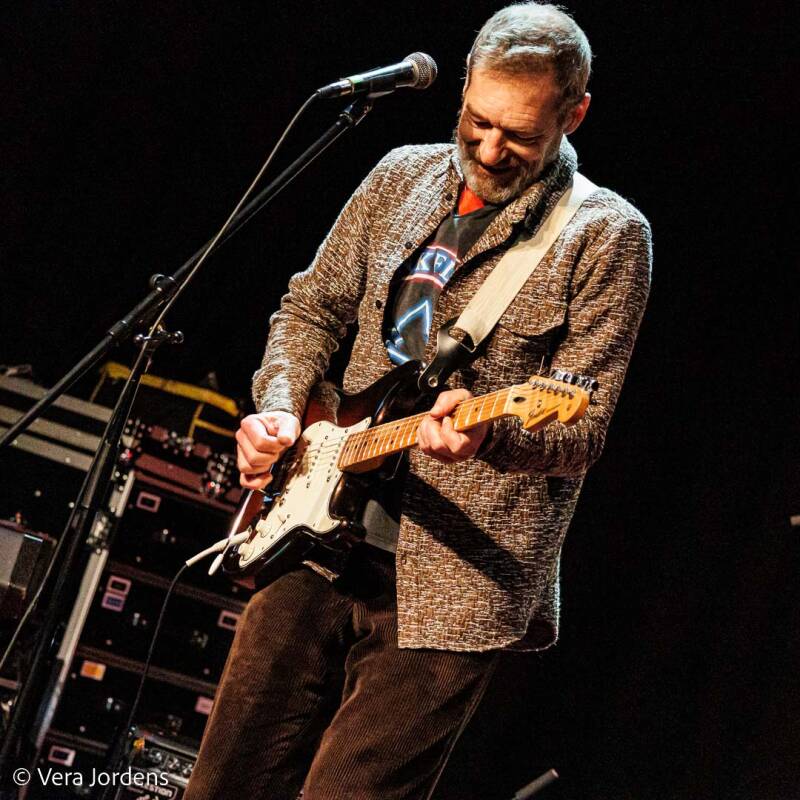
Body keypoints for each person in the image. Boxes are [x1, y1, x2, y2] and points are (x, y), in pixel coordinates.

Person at [185, 3, 651, 799]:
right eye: (478, 122)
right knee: (222, 784)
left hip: (455, 586)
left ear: (574, 115)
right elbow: (310, 311)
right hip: (311, 529)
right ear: (464, 84)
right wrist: (281, 408)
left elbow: (585, 427)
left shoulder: (606, 235)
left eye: (519, 136)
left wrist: (493, 438)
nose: (490, 150)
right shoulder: (401, 175)